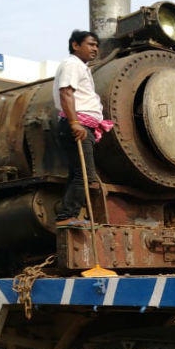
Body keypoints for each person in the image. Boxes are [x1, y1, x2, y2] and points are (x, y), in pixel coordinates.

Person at [52, 30, 113, 228]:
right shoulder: (72, 64)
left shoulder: (81, 67)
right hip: (79, 125)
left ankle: (69, 214)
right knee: (85, 175)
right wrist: (74, 123)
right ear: (75, 45)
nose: (95, 49)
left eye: (97, 45)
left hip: (84, 125)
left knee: (78, 173)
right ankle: (66, 216)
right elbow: (66, 92)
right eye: (91, 44)